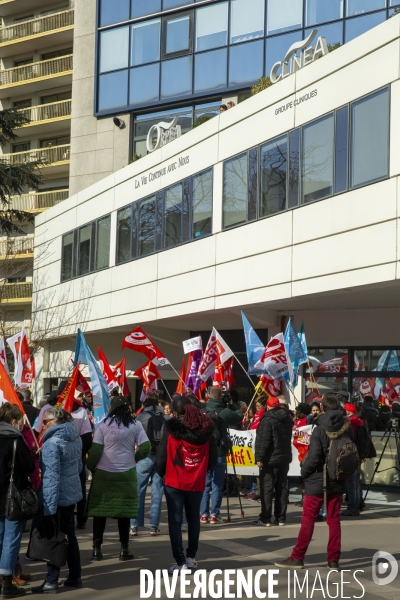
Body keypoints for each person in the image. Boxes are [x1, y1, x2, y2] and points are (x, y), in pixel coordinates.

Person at [275, 394, 352, 570]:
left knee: (308, 519)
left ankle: (298, 556)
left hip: (318, 478)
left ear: (323, 409)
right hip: (339, 477)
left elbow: (314, 457)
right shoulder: (347, 427)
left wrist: (304, 471)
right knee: (333, 519)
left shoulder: (319, 429)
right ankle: (333, 560)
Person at [156, 396, 217, 573]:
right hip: (196, 481)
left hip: (174, 480)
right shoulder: (206, 429)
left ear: (175, 411)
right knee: (193, 520)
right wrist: (202, 470)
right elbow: (212, 457)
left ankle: (180, 561)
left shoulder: (170, 429)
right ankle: (191, 558)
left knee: (175, 521)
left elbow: (161, 455)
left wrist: (162, 473)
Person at [86, 397, 150, 561]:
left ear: (112, 408)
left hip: (103, 473)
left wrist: (92, 467)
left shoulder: (103, 425)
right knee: (124, 514)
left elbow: (96, 450)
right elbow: (146, 447)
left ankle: (96, 550)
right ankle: (124, 550)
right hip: (127, 473)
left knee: (99, 513)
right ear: (128, 408)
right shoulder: (135, 425)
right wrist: (134, 458)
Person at [32, 407, 83, 594]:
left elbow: (51, 478)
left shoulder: (52, 443)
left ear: (56, 421)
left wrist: (49, 507)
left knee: (55, 539)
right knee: (70, 536)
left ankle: (51, 581)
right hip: (71, 495)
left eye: (45, 421)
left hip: (57, 498)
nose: (43, 425)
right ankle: (75, 576)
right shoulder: (75, 437)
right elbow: (78, 467)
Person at [0, 403, 35, 599]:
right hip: (13, 497)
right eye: (20, 421)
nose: (22, 425)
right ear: (13, 421)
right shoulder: (16, 440)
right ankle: (6, 582)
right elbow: (29, 467)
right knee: (11, 540)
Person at [200, 387, 243, 523]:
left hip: (205, 451)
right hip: (219, 451)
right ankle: (214, 514)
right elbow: (240, 416)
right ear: (220, 398)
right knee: (217, 483)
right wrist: (231, 404)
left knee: (205, 484)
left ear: (208, 396)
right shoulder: (224, 412)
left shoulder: (202, 412)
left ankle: (204, 514)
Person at [253, 397, 293, 527]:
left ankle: (265, 518)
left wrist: (259, 457)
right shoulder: (287, 418)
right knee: (281, 488)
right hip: (284, 458)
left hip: (270, 459)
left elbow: (264, 441)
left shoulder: (267, 419)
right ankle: (280, 517)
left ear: (268, 406)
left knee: (267, 489)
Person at [129, 396, 165, 537]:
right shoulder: (165, 418)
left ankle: (133, 526)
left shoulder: (139, 418)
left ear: (144, 405)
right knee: (157, 491)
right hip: (160, 456)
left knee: (138, 491)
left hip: (144, 455)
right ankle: (154, 527)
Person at [71, 399, 93, 529]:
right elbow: (87, 438)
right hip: (78, 457)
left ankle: (64, 520)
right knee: (80, 490)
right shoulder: (81, 411)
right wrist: (80, 453)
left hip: (61, 458)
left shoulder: (49, 408)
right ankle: (81, 519)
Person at [340, 402, 364, 517]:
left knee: (351, 481)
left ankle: (352, 507)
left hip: (351, 454)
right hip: (358, 454)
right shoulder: (360, 421)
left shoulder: (349, 423)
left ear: (347, 411)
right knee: (356, 481)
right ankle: (357, 504)